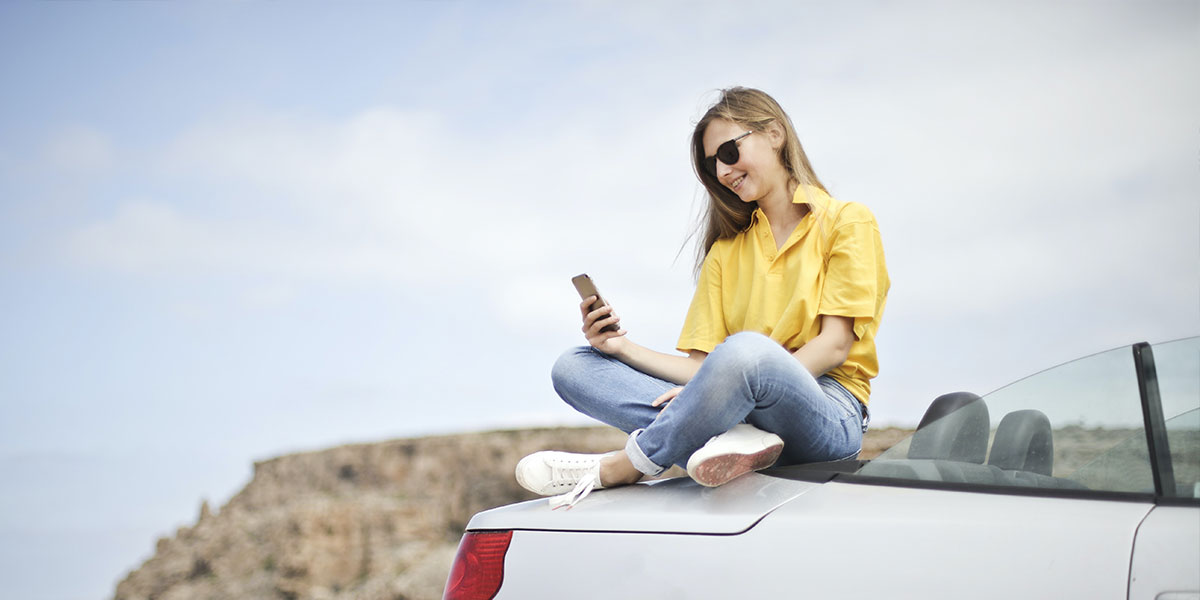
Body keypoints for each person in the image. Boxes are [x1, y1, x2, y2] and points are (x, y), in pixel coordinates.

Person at [516, 87, 889, 509]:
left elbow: (835, 344)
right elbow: (700, 369)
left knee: (748, 353)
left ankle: (626, 465)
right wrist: (620, 348)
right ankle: (728, 439)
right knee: (573, 367)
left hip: (826, 410)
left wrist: (727, 390)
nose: (723, 170)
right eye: (713, 165)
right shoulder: (725, 253)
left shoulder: (847, 221)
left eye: (729, 152)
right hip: (735, 410)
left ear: (774, 134)